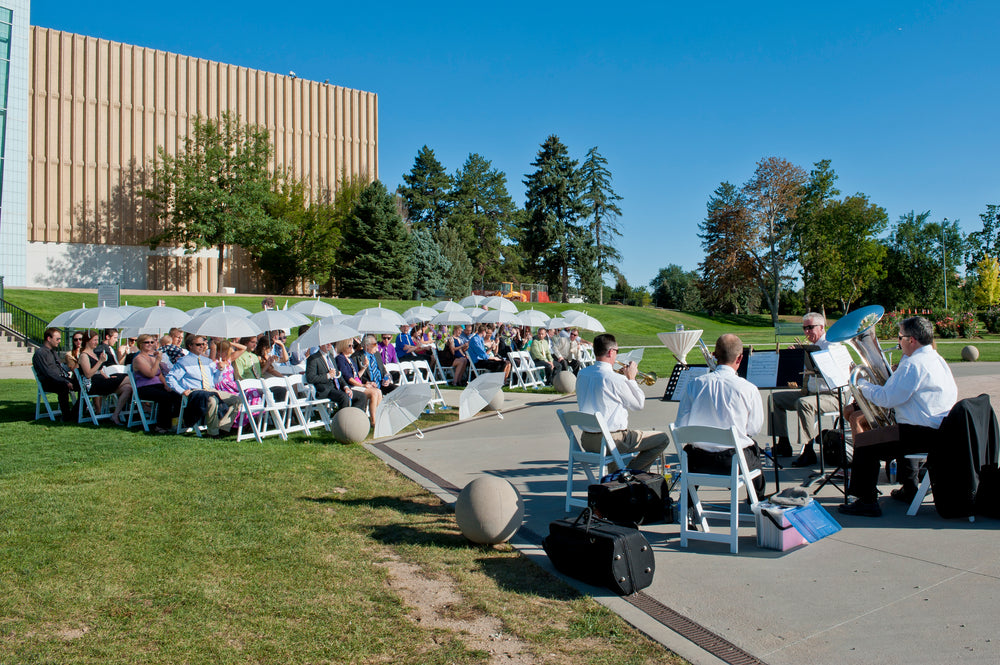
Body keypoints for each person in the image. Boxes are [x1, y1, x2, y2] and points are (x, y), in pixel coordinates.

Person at [839, 316, 958, 517]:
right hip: (938, 428)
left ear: (912, 340)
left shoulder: (913, 364)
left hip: (920, 433)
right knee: (892, 430)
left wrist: (861, 384)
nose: (898, 342)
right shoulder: (936, 358)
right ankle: (909, 489)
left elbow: (886, 399)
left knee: (864, 442)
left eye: (900, 338)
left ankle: (866, 501)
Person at [675, 333, 766, 496]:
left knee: (690, 451)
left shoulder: (695, 384)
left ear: (714, 356)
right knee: (754, 451)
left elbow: (681, 426)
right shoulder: (748, 388)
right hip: (733, 462)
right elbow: (754, 429)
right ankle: (757, 502)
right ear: (740, 358)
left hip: (699, 462)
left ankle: (688, 505)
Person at [575, 333, 669, 472]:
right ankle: (628, 475)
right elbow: (638, 405)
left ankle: (617, 477)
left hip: (587, 440)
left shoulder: (582, 374)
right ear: (611, 352)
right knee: (662, 439)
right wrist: (631, 379)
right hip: (612, 440)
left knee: (616, 442)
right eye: (617, 351)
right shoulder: (615, 379)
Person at [768, 312, 839, 463]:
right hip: (810, 392)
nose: (806, 332)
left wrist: (810, 360)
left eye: (810, 328)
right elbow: (800, 373)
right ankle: (783, 443)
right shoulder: (809, 347)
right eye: (804, 328)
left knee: (804, 403)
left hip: (831, 395)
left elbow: (832, 374)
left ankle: (808, 449)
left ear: (821, 327)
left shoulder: (831, 346)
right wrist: (794, 357)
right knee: (774, 399)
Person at [165, 334, 241, 437]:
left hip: (210, 389)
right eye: (198, 344)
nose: (202, 346)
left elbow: (215, 380)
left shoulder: (207, 361)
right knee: (212, 400)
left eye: (203, 344)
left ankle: (223, 427)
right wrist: (182, 390)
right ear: (190, 346)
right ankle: (213, 433)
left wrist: (220, 370)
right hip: (195, 391)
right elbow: (170, 378)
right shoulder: (184, 361)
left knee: (237, 399)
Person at [78, 330, 132, 426]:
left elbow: (100, 370)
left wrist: (108, 377)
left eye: (97, 340)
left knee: (128, 388)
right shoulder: (84, 355)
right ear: (87, 341)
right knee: (129, 379)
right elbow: (88, 374)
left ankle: (115, 415)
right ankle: (143, 404)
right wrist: (100, 361)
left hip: (102, 380)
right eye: (94, 340)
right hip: (93, 384)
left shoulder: (93, 353)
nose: (96, 342)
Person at [131, 333, 182, 433]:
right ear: (140, 344)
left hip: (158, 385)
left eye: (152, 342)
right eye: (147, 342)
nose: (150, 344)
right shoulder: (138, 359)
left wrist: (166, 385)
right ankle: (161, 426)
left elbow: (159, 375)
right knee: (165, 397)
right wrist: (158, 360)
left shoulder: (152, 357)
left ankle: (175, 422)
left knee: (177, 394)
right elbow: (151, 374)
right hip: (145, 387)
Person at [306, 342, 369, 412]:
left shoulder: (331, 357)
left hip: (337, 388)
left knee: (362, 396)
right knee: (344, 397)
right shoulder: (313, 358)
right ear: (320, 345)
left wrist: (346, 387)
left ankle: (355, 416)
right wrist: (328, 376)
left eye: (331, 343)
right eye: (327, 343)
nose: (329, 345)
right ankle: (343, 418)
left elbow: (338, 375)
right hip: (325, 389)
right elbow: (310, 378)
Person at [33, 327, 78, 422]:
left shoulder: (52, 351)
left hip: (59, 379)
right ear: (49, 339)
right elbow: (48, 372)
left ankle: (76, 412)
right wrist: (65, 381)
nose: (59, 341)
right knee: (63, 386)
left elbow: (59, 367)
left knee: (83, 385)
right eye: (57, 339)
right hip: (49, 382)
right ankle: (66, 416)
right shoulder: (40, 353)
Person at [335, 338, 382, 427]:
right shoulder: (340, 359)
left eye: (352, 345)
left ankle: (378, 417)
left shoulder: (350, 359)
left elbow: (357, 376)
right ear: (343, 346)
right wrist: (362, 385)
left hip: (357, 384)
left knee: (378, 391)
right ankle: (373, 421)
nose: (352, 347)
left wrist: (364, 367)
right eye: (349, 345)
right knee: (374, 393)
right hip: (350, 386)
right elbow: (348, 378)